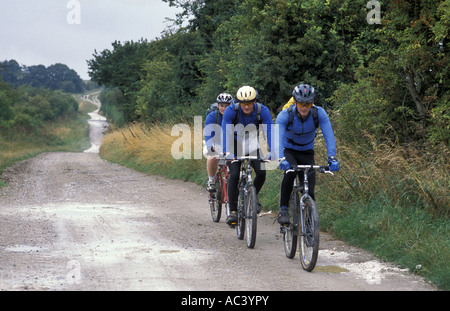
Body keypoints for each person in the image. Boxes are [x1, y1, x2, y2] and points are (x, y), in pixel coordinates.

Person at [276, 84, 340, 224]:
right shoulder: (285, 115)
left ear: (312, 103)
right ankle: (283, 209)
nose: (304, 107)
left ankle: (310, 224)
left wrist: (332, 158)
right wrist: (281, 158)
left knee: (310, 189)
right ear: (295, 102)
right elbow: (278, 138)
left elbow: (329, 136)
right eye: (301, 104)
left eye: (307, 104)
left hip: (307, 151)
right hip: (289, 150)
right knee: (290, 173)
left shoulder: (319, 113)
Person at [222, 86, 273, 226]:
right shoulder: (231, 110)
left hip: (252, 143)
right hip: (234, 143)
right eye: (243, 103)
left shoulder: (262, 110)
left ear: (254, 101)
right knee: (234, 175)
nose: (246, 106)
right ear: (238, 102)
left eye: (249, 102)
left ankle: (253, 195)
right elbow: (225, 130)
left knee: (261, 172)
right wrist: (227, 152)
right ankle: (233, 211)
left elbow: (270, 131)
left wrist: (272, 151)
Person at [204, 93, 234, 192]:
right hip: (214, 142)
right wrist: (210, 147)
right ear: (218, 106)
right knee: (212, 156)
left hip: (229, 144)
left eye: (227, 106)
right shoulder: (213, 116)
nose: (224, 108)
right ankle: (211, 181)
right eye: (221, 106)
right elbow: (207, 133)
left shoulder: (234, 116)